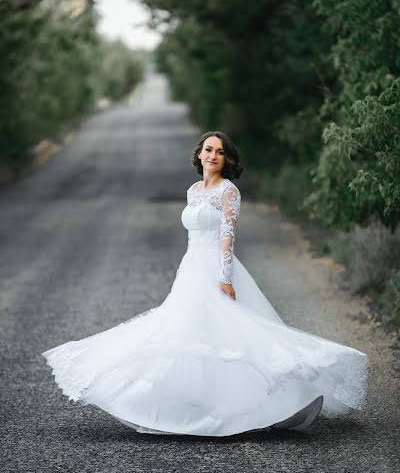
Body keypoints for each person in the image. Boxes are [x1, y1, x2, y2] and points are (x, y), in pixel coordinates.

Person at [41, 131, 368, 436]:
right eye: (208, 150)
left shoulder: (229, 191)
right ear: (198, 155)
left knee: (230, 338)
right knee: (185, 333)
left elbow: (227, 236)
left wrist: (224, 279)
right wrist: (188, 271)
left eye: (220, 152)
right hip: (192, 267)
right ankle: (187, 405)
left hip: (216, 267)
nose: (213, 156)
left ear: (227, 159)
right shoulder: (194, 191)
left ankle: (244, 408)